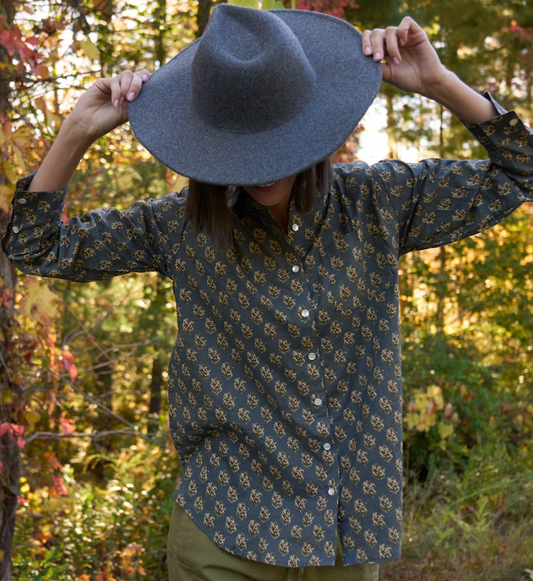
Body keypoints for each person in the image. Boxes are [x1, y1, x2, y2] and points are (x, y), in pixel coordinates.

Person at [4, 5, 532, 581]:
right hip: (224, 532)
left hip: (343, 538)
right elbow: (36, 248)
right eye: (241, 147)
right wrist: (76, 132)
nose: (261, 170)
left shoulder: (379, 201)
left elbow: (522, 173)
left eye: (276, 142)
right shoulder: (179, 228)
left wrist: (440, 83)